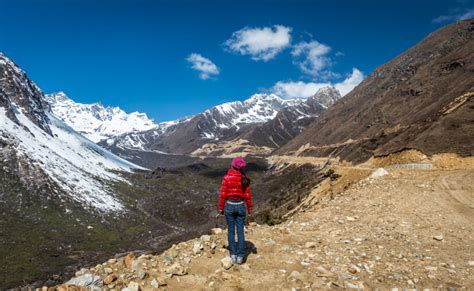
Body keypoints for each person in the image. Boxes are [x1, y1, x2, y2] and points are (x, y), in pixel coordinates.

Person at [217, 156, 253, 264]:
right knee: (240, 232)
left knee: (231, 232)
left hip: (229, 206)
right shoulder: (245, 179)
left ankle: (233, 254)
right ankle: (241, 256)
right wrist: (250, 209)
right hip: (241, 206)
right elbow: (247, 196)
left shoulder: (226, 178)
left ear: (232, 165)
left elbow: (223, 195)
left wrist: (221, 209)